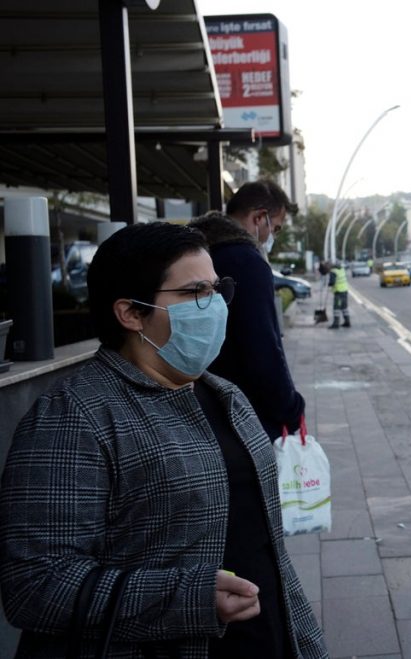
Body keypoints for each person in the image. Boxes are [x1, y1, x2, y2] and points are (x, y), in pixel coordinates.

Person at [0, 222, 327, 659]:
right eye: (195, 293)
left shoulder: (226, 396)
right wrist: (190, 597)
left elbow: (271, 556)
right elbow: (36, 586)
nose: (214, 306)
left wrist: (308, 644)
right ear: (130, 313)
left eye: (216, 288)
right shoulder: (73, 417)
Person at [190, 180, 304, 440]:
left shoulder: (194, 253)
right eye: (275, 228)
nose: (271, 236)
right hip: (243, 414)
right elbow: (263, 349)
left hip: (195, 404)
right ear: (259, 218)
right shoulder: (248, 262)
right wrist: (291, 409)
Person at [328, 261, 350, 329]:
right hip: (345, 291)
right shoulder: (342, 270)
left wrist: (329, 284)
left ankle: (336, 324)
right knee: (344, 307)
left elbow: (332, 282)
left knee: (336, 308)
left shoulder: (333, 271)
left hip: (339, 292)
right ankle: (347, 322)